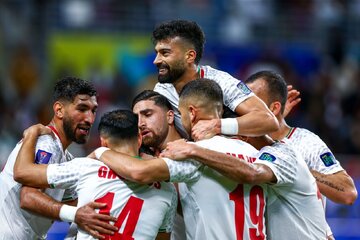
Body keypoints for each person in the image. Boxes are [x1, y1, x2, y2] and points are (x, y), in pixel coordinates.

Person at [94, 79, 327, 239]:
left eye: (181, 114)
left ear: (191, 113)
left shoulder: (192, 156)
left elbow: (140, 172)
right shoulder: (254, 154)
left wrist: (101, 152)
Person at [14, 110, 178, 240]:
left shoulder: (85, 167)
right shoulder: (168, 189)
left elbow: (23, 173)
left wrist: (31, 133)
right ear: (140, 139)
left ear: (103, 142)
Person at [243, 70, 358, 239]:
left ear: (274, 108)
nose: (243, 107)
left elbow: (347, 193)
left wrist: (298, 170)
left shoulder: (304, 142)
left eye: (252, 102)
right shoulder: (241, 141)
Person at [0, 77, 116, 239]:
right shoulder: (46, 143)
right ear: (59, 110)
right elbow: (27, 198)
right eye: (82, 109)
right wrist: (76, 214)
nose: (89, 119)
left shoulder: (66, 159)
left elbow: (66, 216)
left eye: (93, 111)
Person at [152, 19, 279, 140]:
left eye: (165, 53)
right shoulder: (161, 91)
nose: (156, 61)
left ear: (190, 56)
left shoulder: (221, 82)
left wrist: (217, 125)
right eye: (157, 53)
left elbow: (268, 120)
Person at [131, 90, 186, 240]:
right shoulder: (141, 159)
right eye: (136, 118)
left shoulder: (194, 152)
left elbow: (190, 207)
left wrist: (156, 168)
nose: (140, 124)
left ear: (170, 116)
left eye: (147, 115)